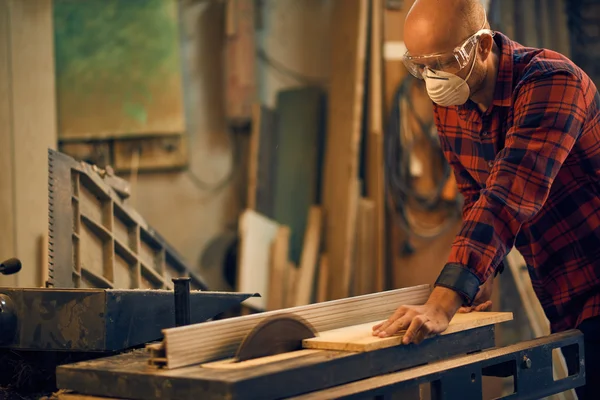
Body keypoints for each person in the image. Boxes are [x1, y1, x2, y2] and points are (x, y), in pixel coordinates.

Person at [372, 0, 600, 398]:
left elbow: (508, 195)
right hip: (561, 293)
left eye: (442, 62)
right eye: (420, 66)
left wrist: (443, 302)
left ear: (481, 46)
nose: (433, 77)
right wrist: (483, 277)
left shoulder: (554, 83)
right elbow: (475, 193)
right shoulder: (451, 102)